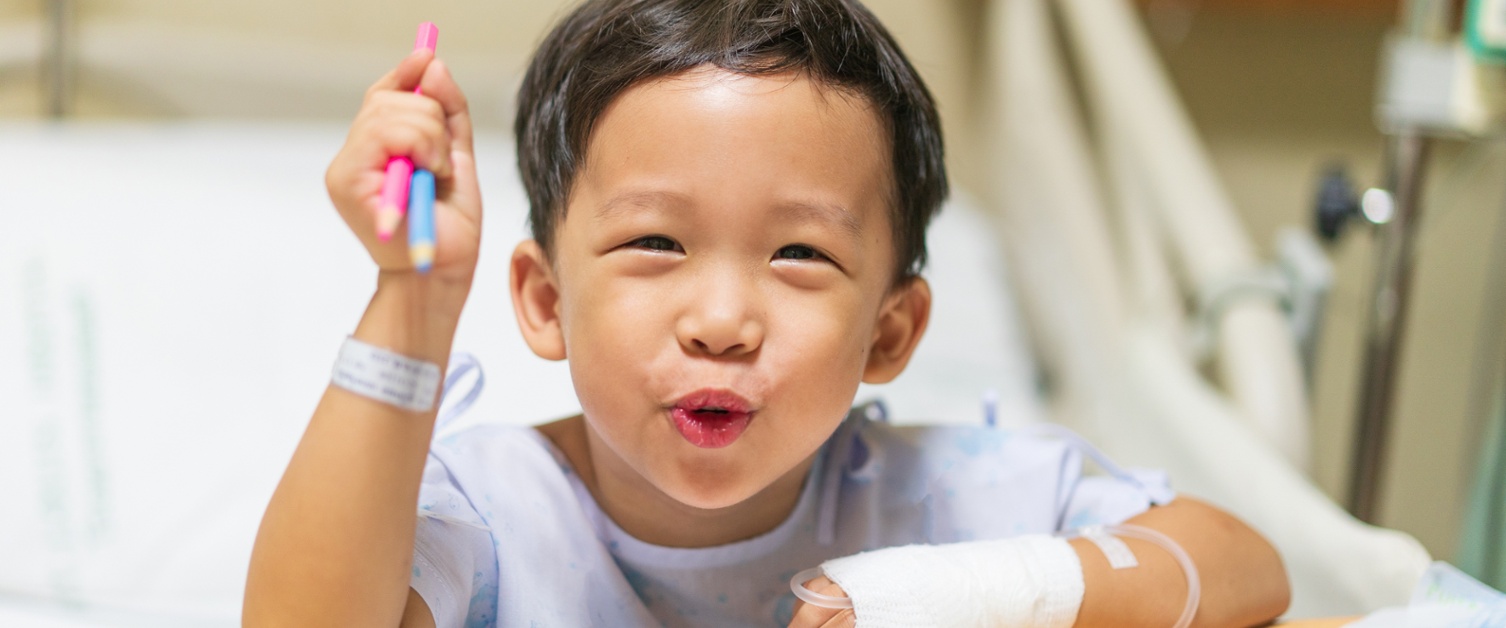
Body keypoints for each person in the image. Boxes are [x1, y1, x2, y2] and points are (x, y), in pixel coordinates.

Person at [243, 0, 1291, 626]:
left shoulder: (962, 500)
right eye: (656, 242)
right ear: (545, 299)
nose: (722, 320)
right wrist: (412, 299)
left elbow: (1247, 566)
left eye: (798, 253)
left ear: (890, 332)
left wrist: (971, 591)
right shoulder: (491, 514)